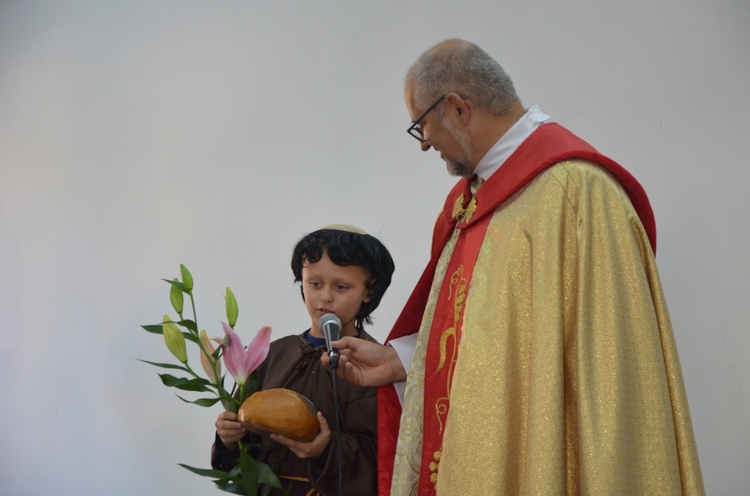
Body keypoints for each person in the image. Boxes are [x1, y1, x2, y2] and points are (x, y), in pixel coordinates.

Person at [324, 39, 705, 495]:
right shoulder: (468, 203)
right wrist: (402, 360)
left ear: (458, 108)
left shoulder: (576, 192)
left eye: (421, 126)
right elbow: (481, 333)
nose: (424, 144)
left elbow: (610, 371)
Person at [211, 224, 395, 496]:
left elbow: (385, 459)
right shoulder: (271, 355)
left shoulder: (378, 366)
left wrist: (326, 450)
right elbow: (243, 455)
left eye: (341, 286)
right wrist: (227, 439)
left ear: (369, 290)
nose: (325, 297)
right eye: (315, 283)